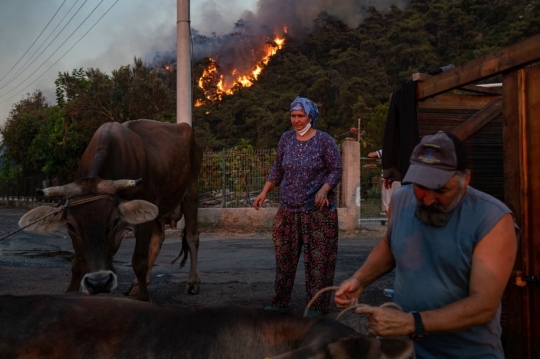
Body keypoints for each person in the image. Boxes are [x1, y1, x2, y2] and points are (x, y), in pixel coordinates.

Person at [335, 131, 518, 358]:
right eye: (421, 186)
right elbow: (389, 244)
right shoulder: (401, 198)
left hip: (467, 353)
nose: (428, 199)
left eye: (441, 189)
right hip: (404, 350)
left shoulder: (493, 219)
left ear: (466, 180)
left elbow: (483, 305)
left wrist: (412, 322)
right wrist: (359, 279)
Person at [253, 96, 342, 317]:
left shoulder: (324, 140)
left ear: (310, 116)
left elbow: (336, 169)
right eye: (293, 116)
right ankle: (281, 301)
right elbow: (278, 169)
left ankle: (318, 306)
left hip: (316, 212)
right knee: (284, 259)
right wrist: (264, 192)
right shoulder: (286, 139)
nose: (296, 120)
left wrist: (324, 189)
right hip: (288, 210)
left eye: (300, 116)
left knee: (318, 262)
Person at [367, 149, 401, 217]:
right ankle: (396, 221)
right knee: (398, 203)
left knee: (386, 204)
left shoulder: (386, 151)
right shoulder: (402, 151)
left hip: (387, 180)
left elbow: (370, 155)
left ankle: (391, 221)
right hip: (399, 179)